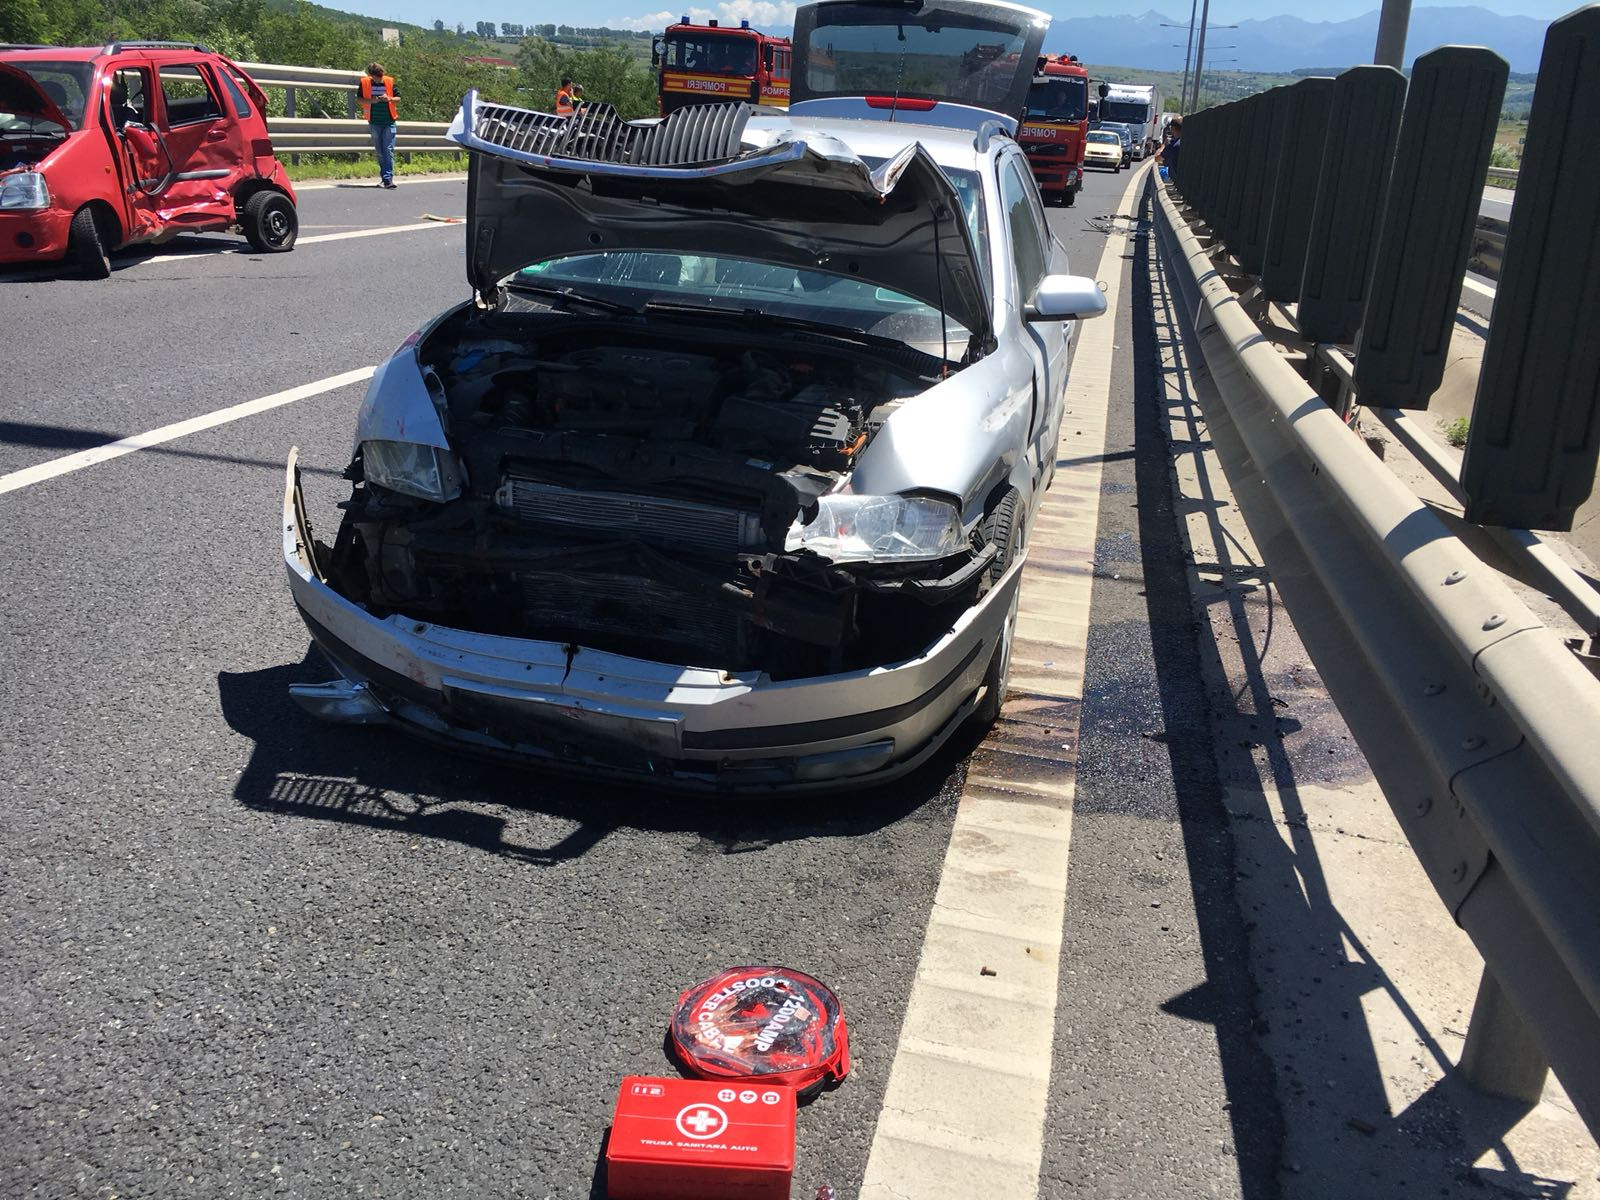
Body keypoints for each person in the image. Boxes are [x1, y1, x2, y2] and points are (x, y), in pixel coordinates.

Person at [359, 61, 399, 189]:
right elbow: (359, 99)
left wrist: (390, 99)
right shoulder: (364, 83)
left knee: (388, 150)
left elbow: (399, 98)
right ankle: (384, 177)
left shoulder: (389, 82)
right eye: (377, 76)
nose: (380, 78)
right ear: (371, 75)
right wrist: (373, 100)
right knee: (380, 151)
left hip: (389, 121)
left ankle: (388, 179)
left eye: (381, 75)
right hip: (374, 121)